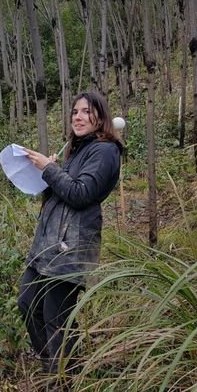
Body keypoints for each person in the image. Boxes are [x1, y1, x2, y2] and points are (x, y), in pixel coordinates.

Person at [18, 92, 123, 376]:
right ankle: (54, 366)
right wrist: (48, 173)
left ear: (100, 116)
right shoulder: (77, 149)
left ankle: (65, 378)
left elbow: (81, 194)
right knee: (28, 304)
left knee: (56, 317)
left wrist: (51, 169)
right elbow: (64, 194)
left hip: (72, 246)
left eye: (86, 111)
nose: (78, 117)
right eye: (74, 112)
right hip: (49, 243)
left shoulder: (105, 150)